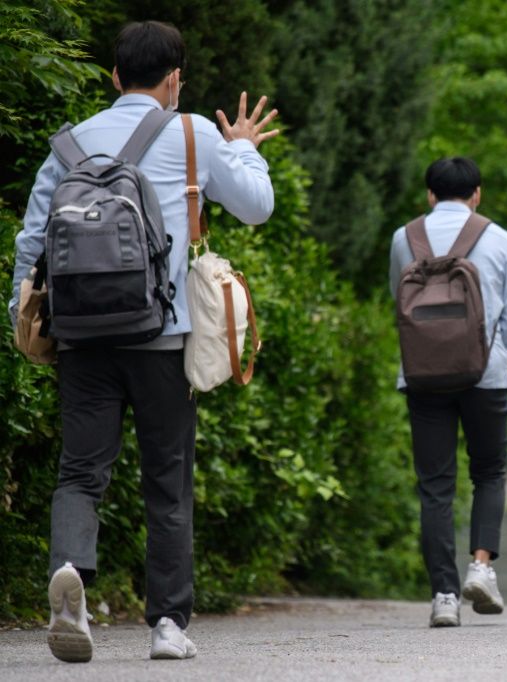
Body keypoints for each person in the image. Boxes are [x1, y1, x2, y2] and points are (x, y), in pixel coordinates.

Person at [8, 21, 278, 662]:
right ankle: (167, 627)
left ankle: (72, 575)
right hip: (163, 336)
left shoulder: (69, 144)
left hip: (81, 338)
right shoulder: (194, 134)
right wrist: (242, 147)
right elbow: (257, 205)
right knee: (167, 477)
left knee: (80, 471)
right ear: (175, 78)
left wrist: (22, 319)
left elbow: (30, 242)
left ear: (113, 77)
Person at [389, 157, 507, 627]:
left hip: (423, 376)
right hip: (485, 375)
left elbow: (399, 305)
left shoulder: (404, 239)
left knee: (435, 487)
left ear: (429, 195)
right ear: (477, 194)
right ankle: (481, 566)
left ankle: (443, 596)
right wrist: (490, 357)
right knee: (489, 472)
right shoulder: (500, 239)